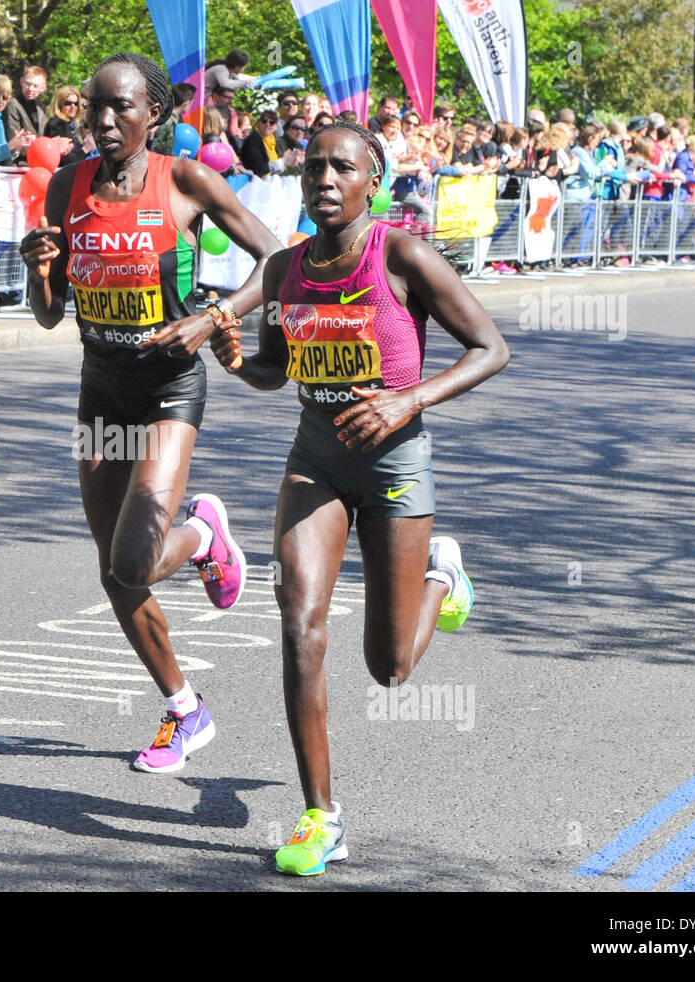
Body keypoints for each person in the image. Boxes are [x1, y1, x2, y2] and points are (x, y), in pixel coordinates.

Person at [209, 120, 509, 876]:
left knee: (390, 669)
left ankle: (443, 572)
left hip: (396, 466)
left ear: (373, 180)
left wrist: (409, 401)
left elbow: (491, 348)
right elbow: (276, 370)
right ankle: (322, 817)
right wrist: (240, 362)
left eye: (343, 168)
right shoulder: (284, 270)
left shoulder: (402, 255)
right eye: (313, 168)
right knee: (300, 624)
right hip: (316, 461)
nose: (326, 180)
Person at [19, 52, 282, 774]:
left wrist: (215, 317)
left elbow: (278, 258)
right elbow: (49, 317)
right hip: (101, 388)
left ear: (154, 115)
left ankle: (200, 534)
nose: (103, 122)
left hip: (169, 386)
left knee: (136, 555)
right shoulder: (66, 187)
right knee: (116, 574)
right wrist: (36, 267)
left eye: (121, 109)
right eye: (92, 109)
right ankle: (184, 709)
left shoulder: (187, 180)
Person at [3, 65, 49, 164]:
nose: (30, 89)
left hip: (37, 162)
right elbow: (13, 139)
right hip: (17, 164)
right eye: (28, 84)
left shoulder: (40, 107)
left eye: (35, 86)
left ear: (43, 88)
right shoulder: (12, 104)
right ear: (21, 81)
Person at [240, 108, 304, 176]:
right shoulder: (253, 139)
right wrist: (283, 161)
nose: (268, 124)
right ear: (258, 123)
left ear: (276, 127)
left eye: (272, 122)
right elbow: (258, 169)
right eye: (264, 121)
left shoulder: (273, 141)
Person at [0, 73, 33, 164]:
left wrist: (16, 148)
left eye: (5, 97)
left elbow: (3, 159)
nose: (0, 101)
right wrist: (11, 145)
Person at [44, 83, 85, 167]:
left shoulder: (72, 124)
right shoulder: (57, 124)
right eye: (68, 103)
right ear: (60, 104)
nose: (73, 106)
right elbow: (65, 159)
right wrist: (85, 149)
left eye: (76, 103)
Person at [151, 81, 194, 155]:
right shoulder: (166, 121)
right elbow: (155, 148)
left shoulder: (172, 119)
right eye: (191, 103)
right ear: (186, 103)